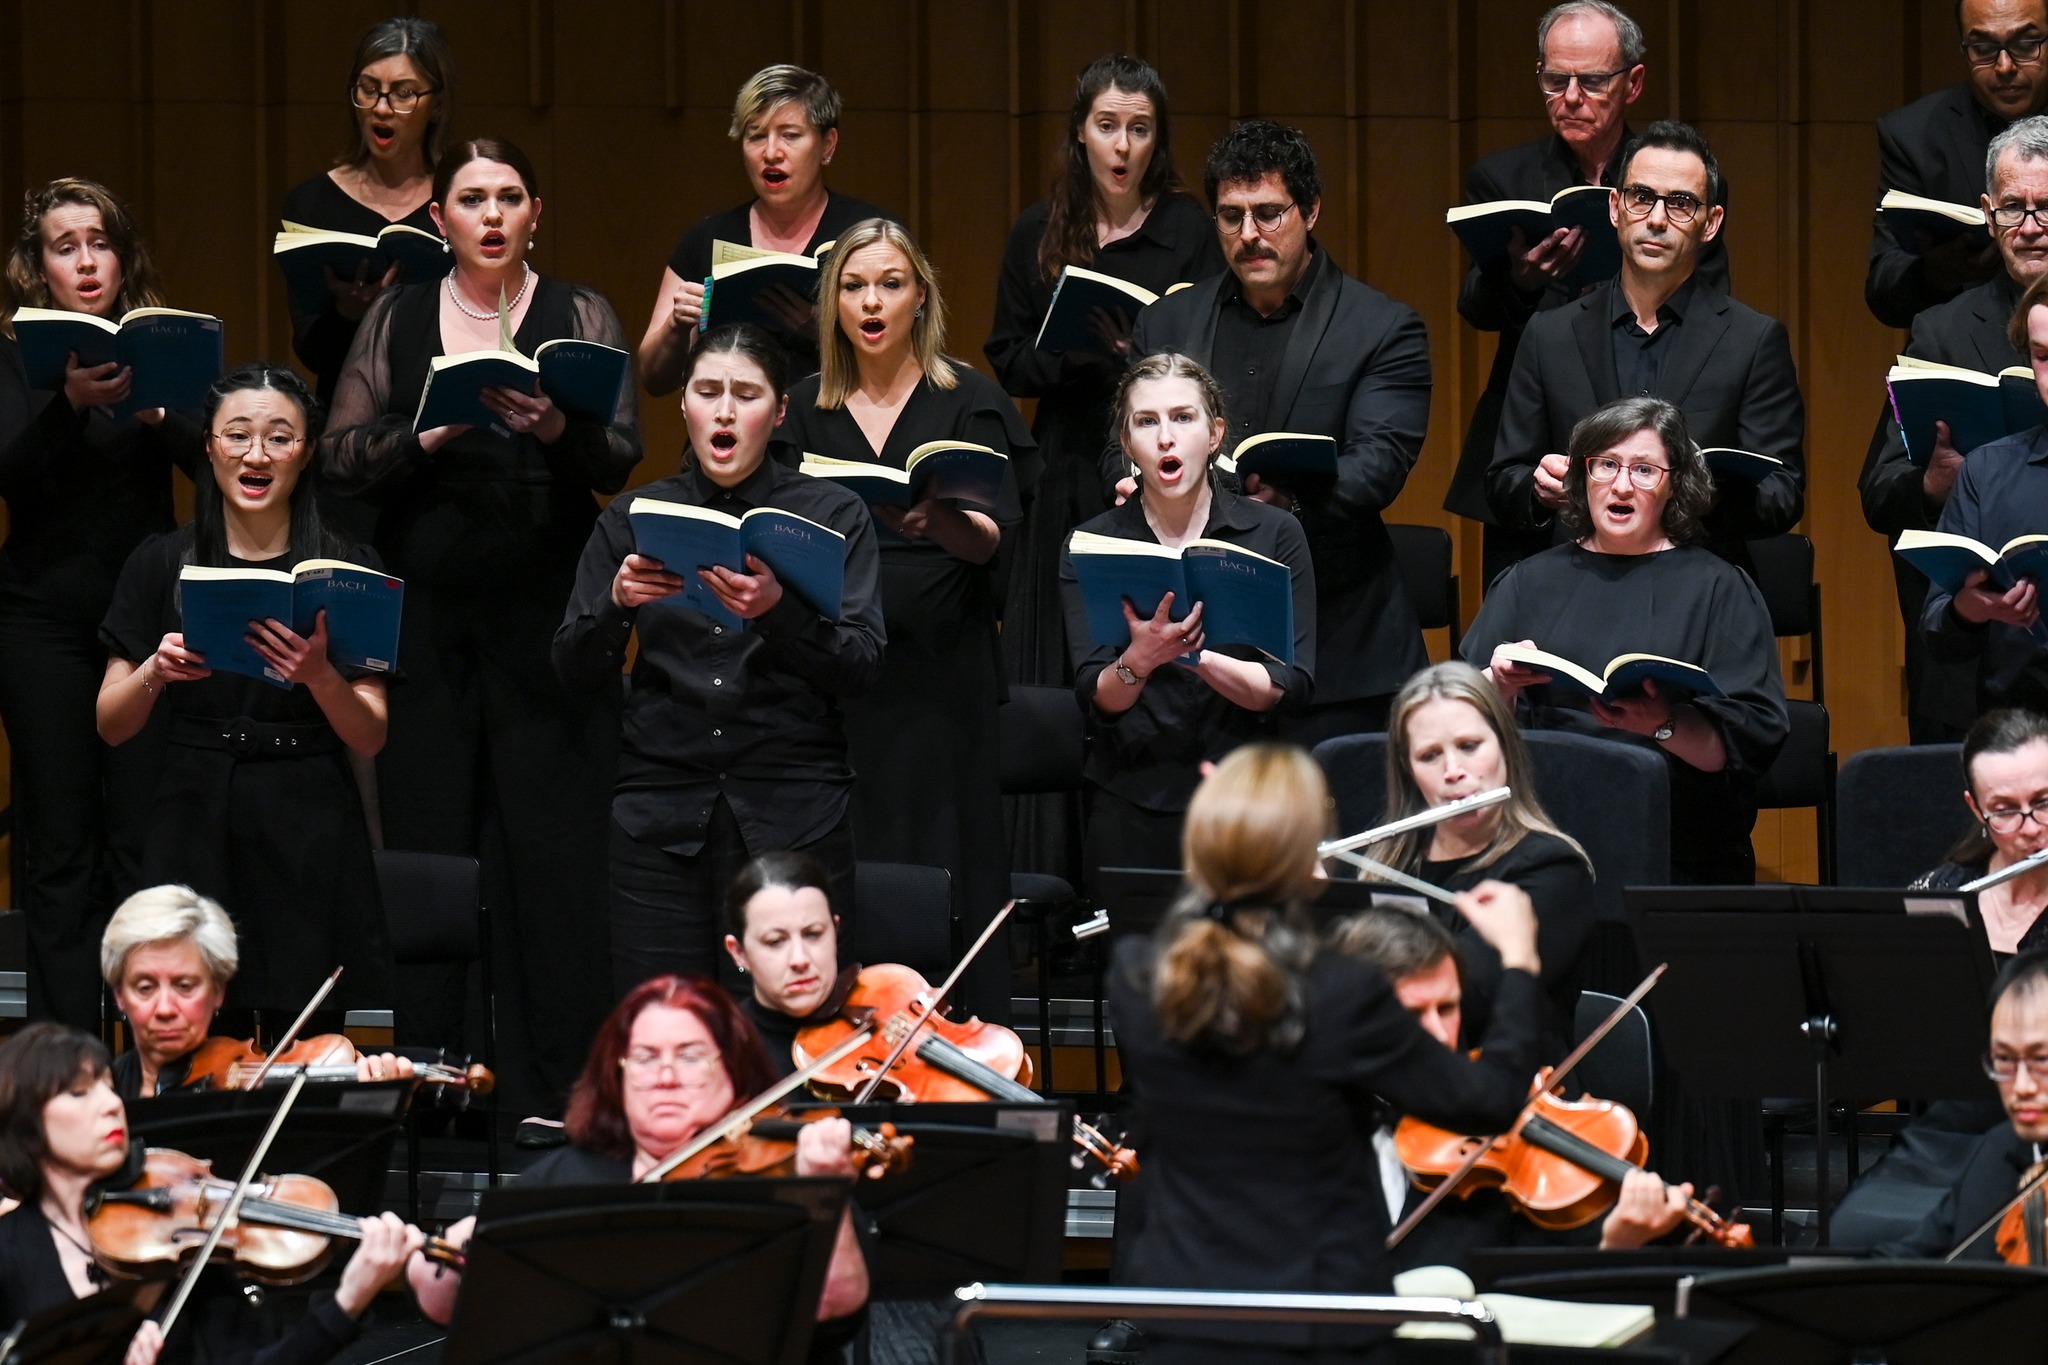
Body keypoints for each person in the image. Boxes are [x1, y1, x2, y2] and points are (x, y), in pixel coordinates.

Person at [324, 137, 639, 1120]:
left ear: (535, 211)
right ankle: (437, 1085)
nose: (492, 215)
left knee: (554, 848)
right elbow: (340, 454)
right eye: (472, 198)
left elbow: (620, 453)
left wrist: (554, 429)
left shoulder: (578, 312)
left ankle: (560, 1089)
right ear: (440, 218)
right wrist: (426, 432)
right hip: (430, 608)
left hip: (548, 610)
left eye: (509, 196)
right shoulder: (399, 316)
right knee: (432, 836)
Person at [1106, 743, 1546, 1363]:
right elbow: (1489, 1101)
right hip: (1318, 1316)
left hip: (1189, 1305)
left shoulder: (1136, 977)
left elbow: (1209, 935)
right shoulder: (1340, 991)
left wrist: (1233, 821)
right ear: (1308, 859)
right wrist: (1520, 963)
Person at [554, 324, 882, 998]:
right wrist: (617, 603)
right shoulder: (633, 516)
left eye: (746, 394)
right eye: (708, 392)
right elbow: (572, 669)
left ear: (780, 411)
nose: (725, 411)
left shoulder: (833, 513)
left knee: (795, 1027)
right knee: (668, 1021)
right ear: (684, 405)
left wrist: (779, 611)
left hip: (795, 809)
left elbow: (863, 665)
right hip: (660, 814)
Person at [777, 220, 1029, 1020]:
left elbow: (995, 542)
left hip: (942, 677)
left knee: (952, 865)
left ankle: (964, 1046)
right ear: (833, 302)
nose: (872, 302)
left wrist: (939, 519)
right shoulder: (801, 406)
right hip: (836, 675)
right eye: (854, 287)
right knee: (848, 866)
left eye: (890, 284)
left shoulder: (970, 398)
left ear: (921, 296)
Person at [1115, 120, 1428, 745]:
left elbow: (1377, 467)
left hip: (1340, 650)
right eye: (1231, 217)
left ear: (1310, 211)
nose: (1249, 235)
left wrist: (1282, 506)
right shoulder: (1167, 321)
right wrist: (1132, 480)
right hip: (1192, 642)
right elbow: (1118, 444)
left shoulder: (1382, 327)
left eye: (1268, 213)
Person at [97, 364, 394, 1021]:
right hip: (193, 807)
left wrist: (319, 675)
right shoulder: (160, 562)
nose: (256, 455)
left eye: (280, 437)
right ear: (209, 446)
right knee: (192, 1019)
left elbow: (371, 733)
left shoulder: (349, 570)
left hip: (308, 809)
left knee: (307, 1029)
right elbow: (111, 723)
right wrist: (154, 671)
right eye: (237, 435)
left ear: (306, 452)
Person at [405, 975, 871, 1358]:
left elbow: (836, 1313)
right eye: (645, 1059)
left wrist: (826, 1190)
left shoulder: (787, 1176)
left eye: (690, 1056)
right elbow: (442, 1306)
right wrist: (440, 1256)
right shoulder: (563, 1179)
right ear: (617, 1076)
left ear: (734, 1072)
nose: (666, 1077)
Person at [0, 179, 201, 1032]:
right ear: (37, 266)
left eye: (100, 243)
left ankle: (148, 1050)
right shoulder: (15, 355)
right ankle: (66, 1055)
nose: (86, 261)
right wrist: (69, 407)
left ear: (123, 257)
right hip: (39, 620)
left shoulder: (163, 344)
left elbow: (224, 463)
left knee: (143, 840)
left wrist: (157, 414)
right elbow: (9, 475)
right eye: (65, 246)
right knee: (59, 844)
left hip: (142, 622)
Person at [1446, 1, 1731, 585]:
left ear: (1633, 83)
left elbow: (1713, 302)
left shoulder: (1676, 176)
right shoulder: (1503, 178)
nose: (1571, 97)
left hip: (1655, 415)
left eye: (1592, 81)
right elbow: (1475, 306)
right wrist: (1521, 281)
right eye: (1556, 80)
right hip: (1542, 429)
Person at [1463, 396, 1788, 885]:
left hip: (1672, 842)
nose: (1620, 485)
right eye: (1606, 465)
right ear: (1582, 477)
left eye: (1644, 470)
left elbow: (1748, 743)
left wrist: (1663, 723)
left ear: (1673, 484)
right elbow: (1462, 728)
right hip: (1541, 840)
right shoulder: (1525, 582)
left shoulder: (1720, 587)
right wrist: (1501, 688)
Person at [984, 54, 1223, 694]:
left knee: (1152, 633)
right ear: (1080, 132)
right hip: (1066, 452)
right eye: (1107, 126)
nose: (1122, 146)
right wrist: (1078, 354)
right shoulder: (1038, 229)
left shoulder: (1188, 230)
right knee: (1059, 649)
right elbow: (1007, 358)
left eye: (1139, 129)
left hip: (1160, 456)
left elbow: (1208, 350)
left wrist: (1135, 353)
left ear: (1157, 140)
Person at [0, 1021, 424, 1365]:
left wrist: (349, 1301)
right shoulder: (9, 1254)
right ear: (27, 1129)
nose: (111, 1104)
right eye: (80, 1093)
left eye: (110, 1087)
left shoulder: (179, 1233)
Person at [1485, 120, 1804, 573]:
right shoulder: (1548, 335)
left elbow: (1783, 492)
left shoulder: (1753, 340)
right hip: (1577, 581)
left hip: (1697, 586)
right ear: (1615, 208)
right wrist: (1538, 490)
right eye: (1641, 197)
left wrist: (1693, 493)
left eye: (1681, 204)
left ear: (1711, 223)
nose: (1656, 219)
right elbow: (1504, 480)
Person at [1060, 353, 1315, 883]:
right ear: (1127, 443)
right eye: (1146, 422)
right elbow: (1096, 694)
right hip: (1134, 797)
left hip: (1251, 799)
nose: (1165, 438)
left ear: (1215, 434)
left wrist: (1194, 656)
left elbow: (1286, 686)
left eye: (1183, 417)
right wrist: (1140, 660)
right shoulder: (1091, 543)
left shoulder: (1274, 533)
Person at [1324, 905, 1692, 1272]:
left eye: (1447, 1008)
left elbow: (1542, 1274)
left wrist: (1615, 1246)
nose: (1439, 1034)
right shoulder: (1312, 1116)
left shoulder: (1490, 1132)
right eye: (1412, 1013)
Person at [1863, 115, 2048, 744]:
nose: (2030, 227)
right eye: (2014, 208)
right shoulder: (1941, 332)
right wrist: (1933, 485)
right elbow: (1877, 491)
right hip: (1967, 661)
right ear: (1988, 215)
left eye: (2046, 208)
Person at [1361, 661, 1594, 1051]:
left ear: (1505, 745)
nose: (1453, 771)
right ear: (1407, 769)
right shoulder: (1383, 868)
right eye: (1430, 755)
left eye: (1469, 746)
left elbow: (1463, 999)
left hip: (1508, 1082)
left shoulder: (1554, 870)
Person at [639, 64, 897, 392]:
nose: (771, 153)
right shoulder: (707, 237)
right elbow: (653, 378)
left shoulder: (873, 237)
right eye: (756, 135)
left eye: (790, 135)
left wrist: (826, 330)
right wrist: (676, 327)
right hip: (730, 419)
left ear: (827, 145)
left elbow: (907, 359)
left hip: (840, 418)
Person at [100, 883, 413, 1100]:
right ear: (119, 996)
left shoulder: (259, 1093)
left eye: (185, 986)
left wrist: (376, 1101)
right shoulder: (95, 1097)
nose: (166, 1008)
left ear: (219, 991)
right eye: (145, 988)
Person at [278, 16, 453, 403]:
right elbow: (311, 351)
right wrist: (348, 313)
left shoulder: (462, 199)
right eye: (369, 90)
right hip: (346, 412)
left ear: (437, 105)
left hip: (444, 410)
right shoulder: (311, 203)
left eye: (404, 94)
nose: (381, 108)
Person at [1868, 0, 2048, 328]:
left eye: (2025, 45)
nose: (2005, 66)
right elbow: (1884, 291)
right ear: (1963, 47)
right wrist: (1937, 273)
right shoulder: (1913, 136)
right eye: (1983, 48)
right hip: (1963, 343)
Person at [1876, 950, 2048, 1259]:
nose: (2022, 1086)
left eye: (2042, 1059)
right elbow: (1910, 1258)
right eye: (2004, 1059)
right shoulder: (1998, 1151)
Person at [1911, 709, 2048, 956]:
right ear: (1976, 809)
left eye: (2043, 802)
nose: (2031, 829)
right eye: (2005, 811)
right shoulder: (1940, 894)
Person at [722, 853, 854, 1077]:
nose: (800, 959)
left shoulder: (884, 1019)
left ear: (835, 931)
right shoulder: (723, 1050)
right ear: (739, 953)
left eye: (813, 934)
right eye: (775, 942)